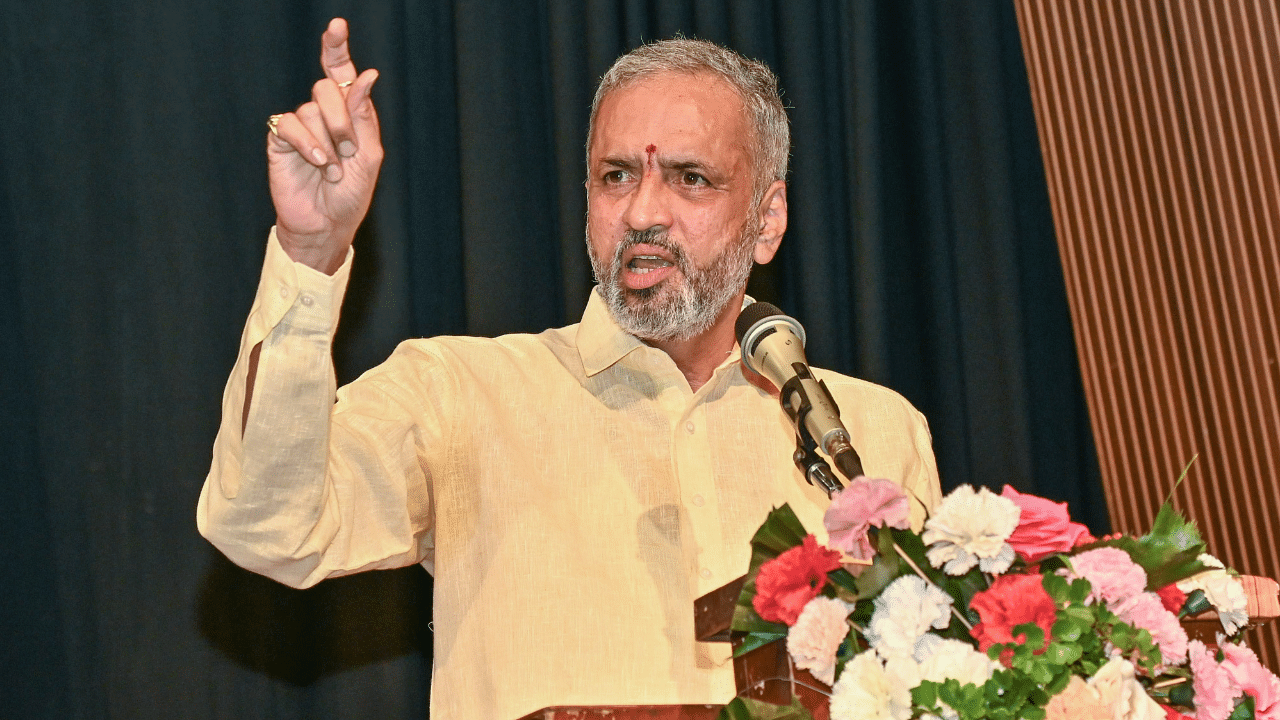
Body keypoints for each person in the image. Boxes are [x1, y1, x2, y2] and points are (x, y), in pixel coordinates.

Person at [199, 18, 942, 720]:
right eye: (616, 175)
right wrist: (310, 257)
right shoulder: (462, 392)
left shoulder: (871, 431)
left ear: (768, 219)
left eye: (690, 179)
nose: (644, 210)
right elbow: (268, 528)